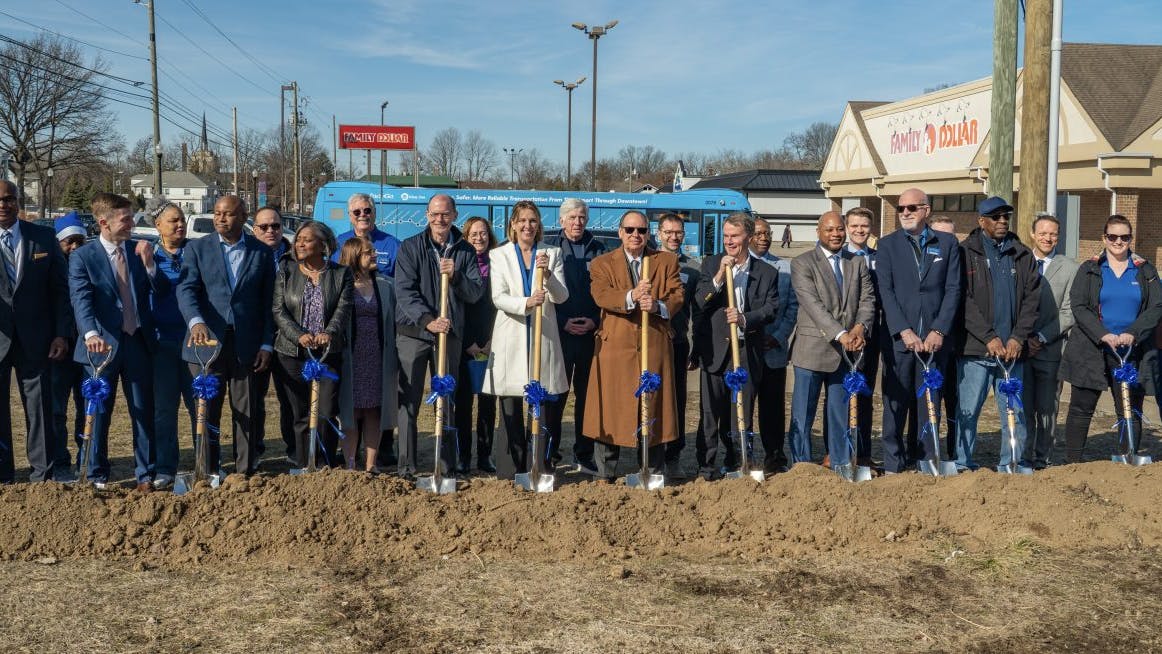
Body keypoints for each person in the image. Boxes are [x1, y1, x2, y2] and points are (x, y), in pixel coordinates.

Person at [69, 192, 165, 490]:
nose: (131, 225)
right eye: (125, 220)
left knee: (142, 410)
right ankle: (96, 474)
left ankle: (145, 473)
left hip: (137, 342)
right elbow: (81, 299)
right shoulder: (83, 257)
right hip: (102, 347)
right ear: (103, 223)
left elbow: (161, 290)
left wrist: (150, 266)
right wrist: (91, 333)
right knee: (97, 412)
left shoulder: (139, 251)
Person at [177, 195, 275, 477]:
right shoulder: (197, 249)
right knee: (206, 409)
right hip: (206, 343)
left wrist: (267, 342)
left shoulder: (261, 252)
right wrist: (196, 322)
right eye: (217, 213)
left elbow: (269, 302)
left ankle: (244, 471)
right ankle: (207, 470)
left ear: (243, 217)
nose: (220, 218)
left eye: (228, 214)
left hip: (246, 344)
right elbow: (186, 290)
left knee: (246, 410)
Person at [584, 210, 684, 482]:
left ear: (648, 233)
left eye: (641, 230)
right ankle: (605, 473)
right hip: (615, 350)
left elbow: (677, 295)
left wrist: (658, 306)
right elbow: (601, 294)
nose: (635, 235)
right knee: (611, 410)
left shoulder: (666, 261)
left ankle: (652, 470)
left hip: (653, 347)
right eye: (630, 230)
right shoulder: (602, 263)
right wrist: (631, 296)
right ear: (620, 233)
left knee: (653, 408)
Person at [394, 194, 484, 479]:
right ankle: (406, 466)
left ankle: (445, 465)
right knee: (409, 400)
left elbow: (475, 292)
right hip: (414, 333)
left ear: (455, 215)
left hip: (450, 336)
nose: (440, 219)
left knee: (448, 398)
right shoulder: (410, 248)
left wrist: (456, 276)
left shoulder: (465, 251)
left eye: (445, 214)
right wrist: (427, 320)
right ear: (426, 215)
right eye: (434, 214)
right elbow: (405, 291)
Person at [1059, 215, 1162, 463]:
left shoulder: (1144, 269)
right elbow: (1079, 305)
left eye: (1124, 237)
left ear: (1130, 239)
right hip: (1092, 346)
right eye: (1113, 236)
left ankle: (1127, 456)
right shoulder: (1090, 268)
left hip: (1130, 349)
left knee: (1129, 406)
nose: (1118, 242)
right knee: (1081, 407)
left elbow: (1157, 306)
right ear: (1104, 238)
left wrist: (1133, 333)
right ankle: (1073, 462)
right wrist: (1103, 333)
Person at [875, 188, 962, 473]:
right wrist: (904, 330)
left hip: (935, 341)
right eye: (901, 209)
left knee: (929, 402)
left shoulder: (947, 244)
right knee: (895, 404)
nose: (905, 213)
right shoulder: (888, 245)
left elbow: (953, 289)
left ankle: (926, 458)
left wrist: (939, 329)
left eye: (912, 207)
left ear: (926, 210)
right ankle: (893, 461)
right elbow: (885, 292)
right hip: (901, 341)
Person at [482, 202, 569, 479]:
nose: (527, 226)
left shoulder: (551, 253)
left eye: (532, 221)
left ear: (539, 224)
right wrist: (527, 302)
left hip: (543, 336)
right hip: (512, 334)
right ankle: (511, 467)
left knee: (541, 403)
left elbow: (561, 296)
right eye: (522, 221)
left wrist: (550, 276)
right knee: (509, 402)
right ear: (513, 225)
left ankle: (540, 463)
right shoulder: (499, 255)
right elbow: (498, 296)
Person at [954, 197, 1041, 471]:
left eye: (1005, 216)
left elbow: (1031, 301)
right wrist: (988, 336)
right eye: (995, 217)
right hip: (976, 352)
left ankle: (1012, 463)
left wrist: (1017, 338)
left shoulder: (1022, 254)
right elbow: (963, 300)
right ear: (981, 221)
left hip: (1012, 354)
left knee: (1013, 411)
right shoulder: (965, 252)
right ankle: (962, 463)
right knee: (968, 411)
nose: (1002, 221)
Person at [693, 213, 779, 479]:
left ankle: (738, 461)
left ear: (749, 238)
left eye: (735, 236)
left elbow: (771, 309)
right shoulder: (710, 264)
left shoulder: (766, 272)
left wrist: (744, 319)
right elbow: (700, 301)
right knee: (710, 413)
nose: (729, 241)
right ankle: (706, 467)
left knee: (740, 409)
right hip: (716, 351)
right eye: (726, 236)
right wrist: (720, 276)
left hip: (745, 350)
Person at [786, 211, 875, 468]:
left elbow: (867, 300)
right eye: (829, 230)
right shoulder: (802, 263)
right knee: (803, 415)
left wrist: (859, 328)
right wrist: (841, 334)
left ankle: (840, 463)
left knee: (840, 414)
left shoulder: (856, 262)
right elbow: (813, 305)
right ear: (818, 231)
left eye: (839, 229)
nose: (835, 234)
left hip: (847, 354)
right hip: (812, 350)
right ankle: (801, 467)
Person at [0, 180, 70, 483]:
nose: (3, 204)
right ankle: (3, 474)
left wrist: (61, 334)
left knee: (39, 408)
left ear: (19, 201)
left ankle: (42, 474)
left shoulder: (43, 237)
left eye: (9, 199)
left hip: (38, 339)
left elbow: (60, 291)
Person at [543, 198, 605, 474]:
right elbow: (544, 293)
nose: (577, 222)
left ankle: (584, 453)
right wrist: (562, 322)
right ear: (561, 221)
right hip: (560, 334)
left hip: (591, 333)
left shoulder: (600, 249)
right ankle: (551, 452)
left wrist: (594, 321)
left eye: (581, 217)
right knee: (556, 395)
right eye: (571, 217)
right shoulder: (549, 248)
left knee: (587, 397)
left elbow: (606, 291)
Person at [337, 237, 398, 472]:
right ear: (353, 256)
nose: (374, 256)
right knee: (351, 409)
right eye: (367, 253)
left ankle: (371, 465)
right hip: (351, 356)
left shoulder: (385, 285)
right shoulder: (343, 285)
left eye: (373, 251)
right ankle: (351, 463)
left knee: (374, 408)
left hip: (378, 356)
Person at [1023, 213, 1079, 469]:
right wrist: (1023, 339)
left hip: (1050, 350)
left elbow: (1069, 311)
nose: (1048, 238)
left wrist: (1042, 337)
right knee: (1022, 406)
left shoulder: (1070, 267)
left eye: (1053, 233)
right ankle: (1021, 456)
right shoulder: (1019, 262)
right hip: (1019, 350)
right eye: (1043, 233)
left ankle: (1041, 457)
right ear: (1033, 234)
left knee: (1047, 408)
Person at [147, 201, 196, 490]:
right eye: (173, 221)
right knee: (165, 410)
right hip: (161, 344)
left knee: (198, 406)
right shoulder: (148, 253)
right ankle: (166, 467)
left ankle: (205, 463)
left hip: (194, 344)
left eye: (182, 220)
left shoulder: (197, 251)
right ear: (158, 225)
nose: (179, 225)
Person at [749, 217, 797, 473]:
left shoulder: (785, 267)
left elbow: (792, 306)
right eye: (758, 233)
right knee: (743, 407)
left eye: (767, 233)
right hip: (745, 350)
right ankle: (742, 456)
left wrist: (779, 336)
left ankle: (775, 457)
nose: (764, 237)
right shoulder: (737, 264)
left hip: (773, 350)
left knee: (773, 408)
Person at [655, 213, 700, 478]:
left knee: (676, 402)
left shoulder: (692, 268)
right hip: (650, 344)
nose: (674, 237)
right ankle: (650, 455)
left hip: (678, 344)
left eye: (678, 232)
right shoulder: (647, 262)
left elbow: (697, 312)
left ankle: (673, 456)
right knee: (650, 398)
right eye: (668, 232)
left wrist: (693, 346)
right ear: (659, 233)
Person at [250, 206, 296, 463]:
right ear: (254, 229)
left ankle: (294, 450)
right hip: (256, 338)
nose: (270, 231)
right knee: (254, 399)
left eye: (275, 226)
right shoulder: (247, 255)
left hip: (288, 337)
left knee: (290, 398)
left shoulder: (294, 257)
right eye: (264, 227)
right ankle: (254, 451)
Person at [453, 216, 498, 474]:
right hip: (464, 342)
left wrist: (492, 340)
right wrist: (468, 342)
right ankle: (463, 456)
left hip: (491, 340)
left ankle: (485, 455)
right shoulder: (460, 264)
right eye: (473, 234)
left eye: (483, 233)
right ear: (466, 238)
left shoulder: (498, 264)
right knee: (463, 403)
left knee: (488, 403)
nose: (479, 238)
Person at [49, 212, 87, 482]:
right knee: (56, 409)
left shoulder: (89, 266)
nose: (74, 247)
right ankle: (59, 458)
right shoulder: (50, 267)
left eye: (79, 241)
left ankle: (86, 457)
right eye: (69, 242)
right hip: (58, 350)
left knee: (87, 405)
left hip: (86, 349)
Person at [841, 207, 878, 465]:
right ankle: (841, 450)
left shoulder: (880, 257)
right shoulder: (839, 258)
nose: (859, 230)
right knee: (843, 395)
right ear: (846, 227)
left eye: (864, 225)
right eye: (854, 225)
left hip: (873, 336)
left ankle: (863, 453)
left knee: (865, 395)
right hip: (845, 337)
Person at [929, 214, 960, 457]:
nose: (945, 240)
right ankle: (925, 450)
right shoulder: (925, 261)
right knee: (928, 401)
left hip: (957, 344)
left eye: (950, 235)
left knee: (955, 402)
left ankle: (953, 452)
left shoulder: (961, 259)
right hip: (928, 341)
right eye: (939, 235)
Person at [334, 192, 401, 276]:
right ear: (350, 216)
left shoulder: (394, 245)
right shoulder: (339, 243)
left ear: (375, 212)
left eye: (367, 211)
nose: (362, 214)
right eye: (357, 212)